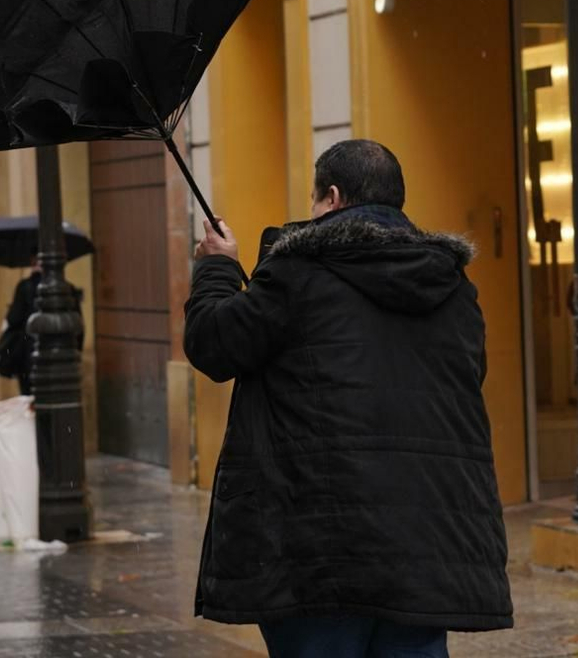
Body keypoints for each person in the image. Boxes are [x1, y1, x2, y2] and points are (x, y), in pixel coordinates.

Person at [186, 139, 512, 658]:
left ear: (332, 198)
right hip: (425, 543)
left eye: (314, 201)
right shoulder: (452, 286)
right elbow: (469, 375)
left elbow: (214, 345)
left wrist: (218, 269)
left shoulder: (295, 274)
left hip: (320, 549)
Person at [0, 260, 84, 396]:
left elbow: (14, 319)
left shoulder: (25, 287)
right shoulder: (67, 288)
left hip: (30, 361)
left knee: (31, 403)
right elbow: (79, 327)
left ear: (33, 261)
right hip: (63, 362)